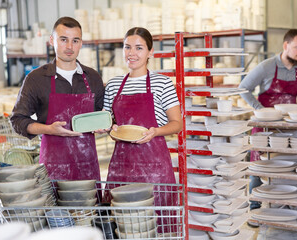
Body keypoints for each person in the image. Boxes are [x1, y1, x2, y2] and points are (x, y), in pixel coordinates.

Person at [10, 17, 104, 182]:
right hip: (53, 168)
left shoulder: (93, 78)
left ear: (81, 43)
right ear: (52, 40)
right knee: (54, 209)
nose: (69, 46)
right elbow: (17, 120)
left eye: (75, 40)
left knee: (90, 208)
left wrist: (104, 126)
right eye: (63, 40)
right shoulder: (36, 79)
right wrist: (49, 129)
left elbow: (103, 115)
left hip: (87, 168)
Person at [239, 29, 297, 210]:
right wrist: (261, 111)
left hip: (290, 129)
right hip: (265, 127)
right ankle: (255, 206)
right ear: (286, 45)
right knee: (259, 167)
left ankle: (286, 207)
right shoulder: (266, 66)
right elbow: (243, 88)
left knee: (289, 167)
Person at [103, 27, 182, 186]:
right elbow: (106, 122)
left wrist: (156, 132)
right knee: (121, 209)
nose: (131, 53)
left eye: (139, 48)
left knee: (155, 209)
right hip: (122, 166)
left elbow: (177, 124)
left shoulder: (162, 83)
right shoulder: (113, 85)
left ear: (150, 52)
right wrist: (111, 129)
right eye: (127, 47)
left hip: (154, 167)